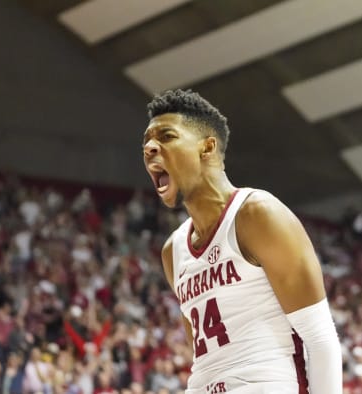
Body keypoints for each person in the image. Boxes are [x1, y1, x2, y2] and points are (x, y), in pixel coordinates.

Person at [142, 89, 342, 393]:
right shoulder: (174, 250)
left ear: (206, 148)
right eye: (146, 142)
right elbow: (204, 355)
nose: (150, 148)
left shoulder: (257, 214)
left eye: (166, 136)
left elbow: (320, 338)